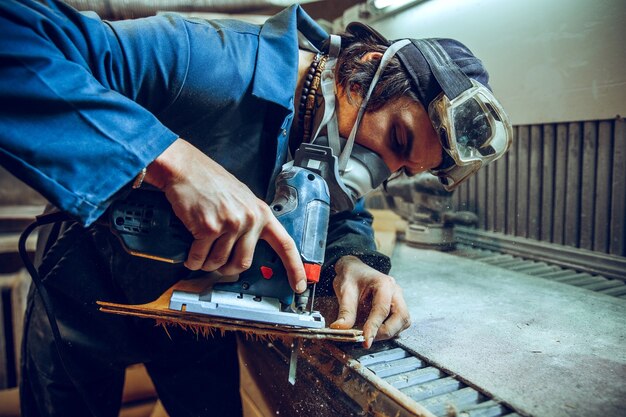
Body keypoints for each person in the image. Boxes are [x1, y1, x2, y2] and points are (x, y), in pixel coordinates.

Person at [0, 0, 512, 416]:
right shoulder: (205, 60)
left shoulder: (335, 136)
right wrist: (168, 158)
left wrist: (353, 261)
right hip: (84, 294)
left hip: (203, 310)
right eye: (398, 138)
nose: (379, 171)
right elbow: (15, 36)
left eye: (402, 168)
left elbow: (337, 208)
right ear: (368, 71)